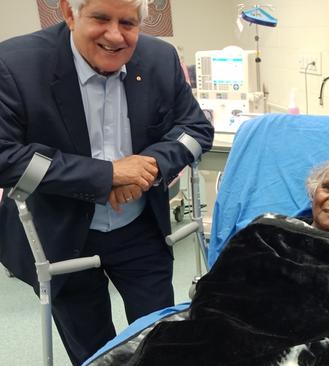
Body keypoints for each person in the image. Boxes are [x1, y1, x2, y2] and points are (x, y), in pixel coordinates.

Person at [0, 0, 214, 364]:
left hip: (141, 229)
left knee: (159, 341)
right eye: (100, 18)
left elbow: (196, 129)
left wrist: (148, 166)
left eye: (128, 23)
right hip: (62, 233)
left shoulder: (159, 58)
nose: (115, 35)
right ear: (70, 13)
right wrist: (108, 176)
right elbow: (6, 156)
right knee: (95, 352)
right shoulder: (16, 63)